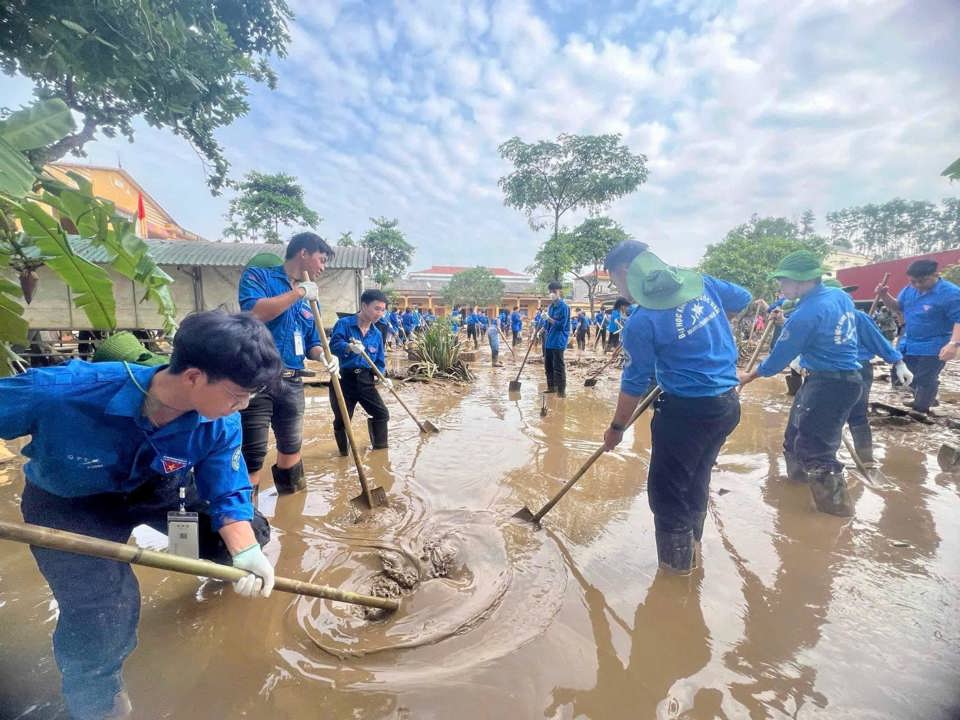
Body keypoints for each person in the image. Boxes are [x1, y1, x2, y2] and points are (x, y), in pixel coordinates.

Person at [0, 311, 281, 720]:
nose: (244, 405)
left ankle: (225, 582)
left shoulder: (221, 423)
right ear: (194, 377)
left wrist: (245, 555)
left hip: (160, 490)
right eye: (237, 394)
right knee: (102, 613)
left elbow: (227, 490)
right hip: (70, 504)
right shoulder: (63, 391)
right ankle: (97, 702)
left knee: (249, 533)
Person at [602, 242, 749, 574]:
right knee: (696, 481)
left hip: (686, 413)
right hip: (727, 404)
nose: (620, 291)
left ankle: (675, 578)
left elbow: (634, 382)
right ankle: (693, 554)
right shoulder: (701, 283)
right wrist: (706, 337)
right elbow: (742, 298)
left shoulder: (642, 321)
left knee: (667, 494)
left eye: (615, 283)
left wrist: (616, 429)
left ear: (625, 272)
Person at [739, 251, 862, 517]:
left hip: (829, 384)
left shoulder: (806, 314)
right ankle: (797, 487)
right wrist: (785, 321)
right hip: (835, 380)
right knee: (794, 438)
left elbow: (777, 360)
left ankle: (836, 515)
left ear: (801, 281)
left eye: (783, 281)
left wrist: (748, 376)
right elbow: (818, 323)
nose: (780, 287)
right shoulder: (838, 296)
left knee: (817, 452)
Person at [238, 232, 339, 497]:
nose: (323, 267)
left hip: (292, 382)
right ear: (303, 253)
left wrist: (324, 357)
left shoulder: (312, 298)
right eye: (322, 259)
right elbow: (255, 312)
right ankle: (247, 523)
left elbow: (312, 342)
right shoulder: (259, 277)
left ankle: (292, 517)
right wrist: (298, 293)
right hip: (256, 378)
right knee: (253, 454)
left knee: (292, 447)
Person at [820, 279, 913, 465]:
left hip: (852, 369)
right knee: (834, 416)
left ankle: (864, 459)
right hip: (831, 371)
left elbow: (879, 341)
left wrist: (898, 362)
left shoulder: (857, 317)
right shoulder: (822, 317)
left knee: (853, 415)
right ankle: (829, 459)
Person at [875, 259, 960, 414]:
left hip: (935, 344)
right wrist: (884, 296)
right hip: (909, 342)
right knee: (902, 375)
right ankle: (919, 401)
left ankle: (921, 410)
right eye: (913, 281)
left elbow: (958, 319)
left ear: (936, 274)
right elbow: (897, 307)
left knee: (926, 377)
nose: (917, 285)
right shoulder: (909, 290)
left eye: (922, 281)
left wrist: (954, 344)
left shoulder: (951, 293)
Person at [328, 289, 392, 453]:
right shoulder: (344, 324)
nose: (380, 313)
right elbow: (332, 347)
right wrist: (348, 347)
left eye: (383, 310)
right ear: (364, 305)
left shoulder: (376, 333)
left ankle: (379, 452)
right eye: (377, 308)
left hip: (365, 381)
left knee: (382, 414)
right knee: (343, 421)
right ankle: (343, 454)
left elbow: (378, 361)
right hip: (343, 379)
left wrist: (382, 376)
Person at [543, 281, 571, 396]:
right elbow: (548, 325)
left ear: (560, 292)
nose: (552, 294)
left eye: (554, 291)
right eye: (550, 292)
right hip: (549, 340)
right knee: (548, 365)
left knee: (558, 367)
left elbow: (561, 326)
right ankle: (551, 387)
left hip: (558, 341)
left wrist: (549, 319)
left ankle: (561, 391)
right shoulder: (550, 307)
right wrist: (543, 327)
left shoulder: (564, 307)